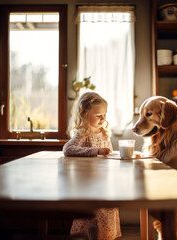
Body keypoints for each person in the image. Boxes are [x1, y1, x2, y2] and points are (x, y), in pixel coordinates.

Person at [63, 92, 121, 240]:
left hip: (104, 181)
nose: (103, 119)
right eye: (98, 115)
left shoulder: (104, 133)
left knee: (107, 212)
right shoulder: (83, 133)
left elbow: (108, 152)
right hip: (89, 184)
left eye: (105, 115)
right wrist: (95, 151)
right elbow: (68, 149)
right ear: (84, 114)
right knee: (92, 215)